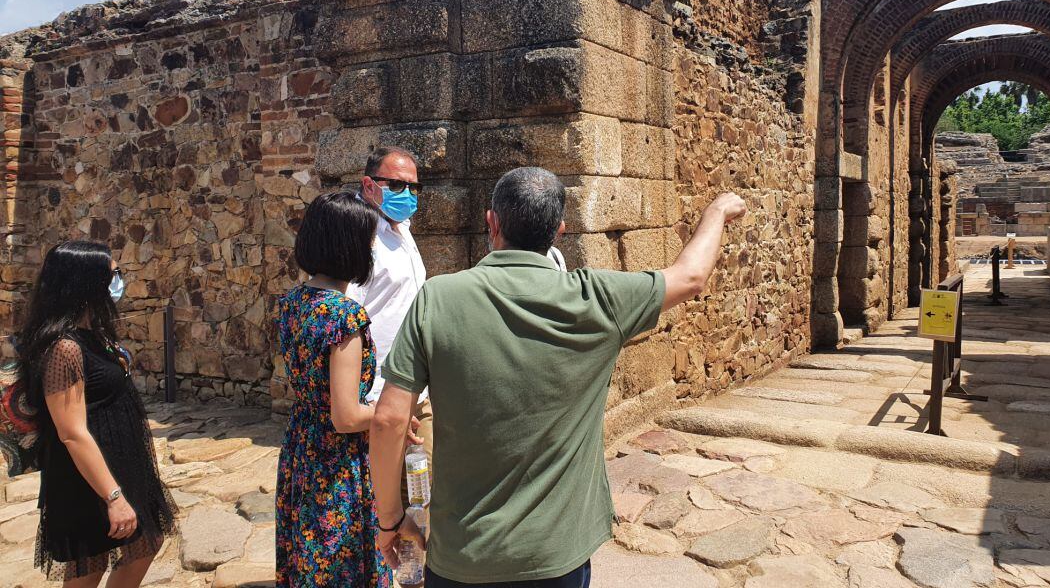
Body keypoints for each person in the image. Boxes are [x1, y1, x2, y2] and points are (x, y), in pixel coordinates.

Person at [369, 167, 747, 587]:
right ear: (559, 233)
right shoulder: (598, 299)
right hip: (556, 556)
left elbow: (388, 420)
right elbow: (690, 277)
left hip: (462, 554)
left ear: (491, 222)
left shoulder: (437, 298)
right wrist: (716, 211)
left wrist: (390, 520)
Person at [275, 191, 417, 587]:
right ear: (350, 246)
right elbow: (347, 415)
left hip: (302, 448)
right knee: (344, 565)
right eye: (368, 240)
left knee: (311, 558)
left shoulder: (293, 303)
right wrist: (393, 412)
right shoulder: (343, 315)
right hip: (338, 465)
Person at [18, 240, 176, 587]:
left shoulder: (92, 333)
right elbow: (71, 432)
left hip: (117, 464)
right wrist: (113, 497)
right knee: (89, 568)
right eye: (112, 273)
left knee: (145, 543)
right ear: (85, 281)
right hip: (86, 481)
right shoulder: (64, 348)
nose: (119, 280)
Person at [347, 146, 432, 482]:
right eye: (397, 186)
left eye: (414, 187)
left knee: (421, 493)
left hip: (415, 387)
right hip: (378, 396)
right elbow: (347, 321)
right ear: (369, 185)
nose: (408, 194)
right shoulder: (360, 236)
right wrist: (367, 405)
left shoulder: (402, 229)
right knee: (384, 503)